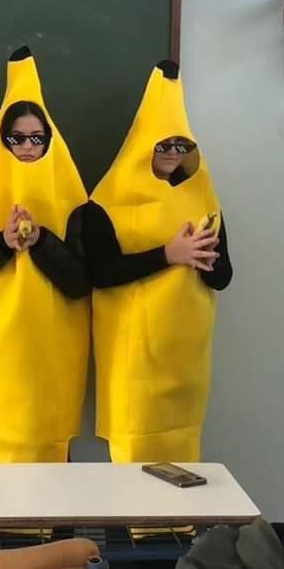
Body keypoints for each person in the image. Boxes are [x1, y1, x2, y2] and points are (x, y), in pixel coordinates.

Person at [0, 47, 90, 465]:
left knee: (47, 483)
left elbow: (80, 283)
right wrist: (2, 245)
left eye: (36, 138)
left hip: (50, 358)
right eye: (17, 138)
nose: (27, 146)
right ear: (1, 140)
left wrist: (41, 241)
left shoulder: (74, 199)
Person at [85, 60, 232, 464]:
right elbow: (101, 273)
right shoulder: (105, 203)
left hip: (187, 356)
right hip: (134, 358)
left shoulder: (202, 198)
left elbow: (223, 277)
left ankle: (182, 532)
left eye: (180, 146)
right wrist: (169, 255)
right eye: (163, 145)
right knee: (134, 466)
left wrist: (204, 259)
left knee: (183, 462)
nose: (171, 154)